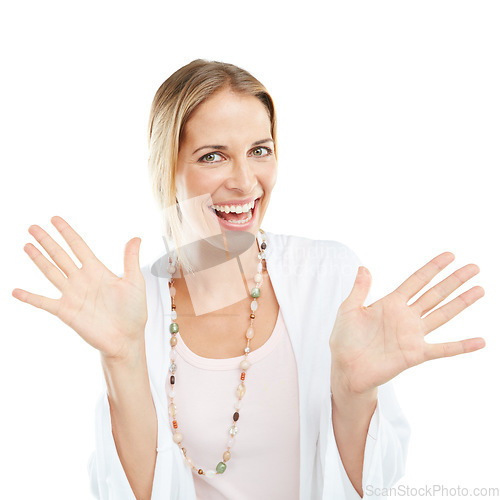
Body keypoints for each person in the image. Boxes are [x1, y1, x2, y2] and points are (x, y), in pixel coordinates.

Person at [11, 59, 486, 500]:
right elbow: (129, 494)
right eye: (213, 156)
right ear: (167, 167)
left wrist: (354, 391)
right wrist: (122, 358)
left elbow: (373, 485)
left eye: (259, 150)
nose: (244, 181)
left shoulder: (328, 278)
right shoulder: (136, 307)